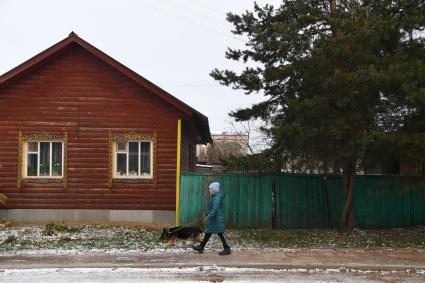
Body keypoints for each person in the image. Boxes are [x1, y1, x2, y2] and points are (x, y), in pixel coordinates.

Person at [193, 182, 231, 255]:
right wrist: (207, 213)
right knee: (208, 232)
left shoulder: (217, 198)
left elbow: (215, 210)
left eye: (210, 189)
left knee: (220, 233)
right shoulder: (214, 197)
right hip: (214, 219)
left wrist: (207, 217)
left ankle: (227, 249)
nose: (209, 190)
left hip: (217, 219)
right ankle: (201, 247)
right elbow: (212, 209)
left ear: (214, 189)